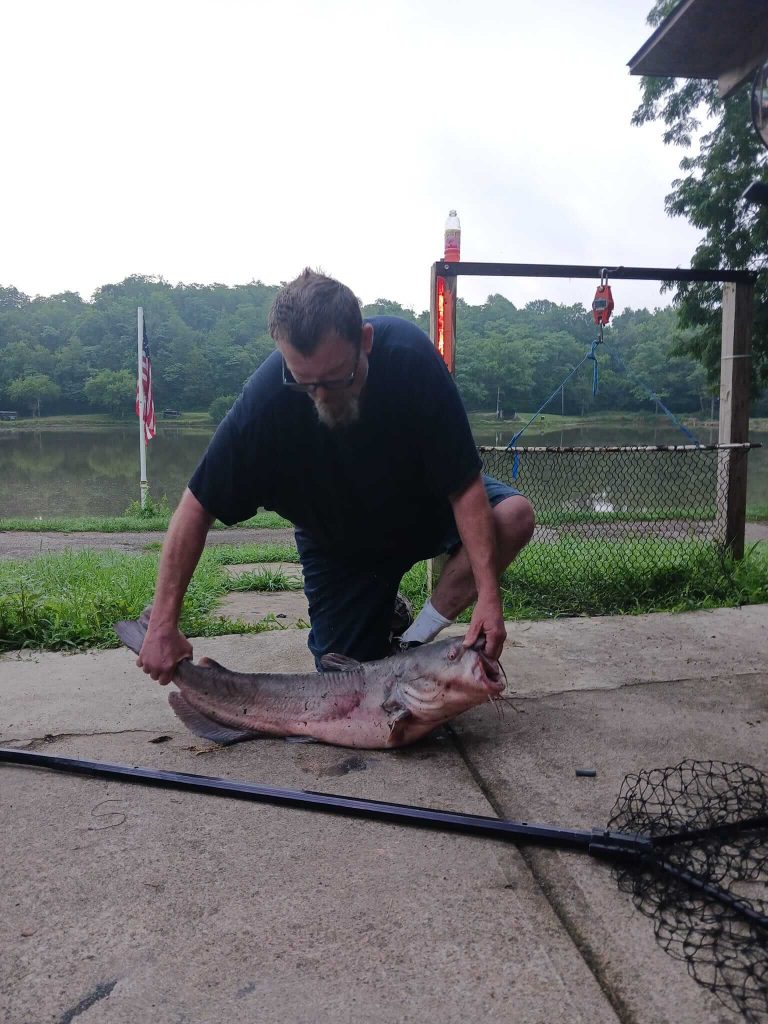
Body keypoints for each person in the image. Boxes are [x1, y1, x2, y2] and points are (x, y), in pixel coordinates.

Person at [137, 269, 534, 685]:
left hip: (422, 512)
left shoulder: (411, 359)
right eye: (304, 383)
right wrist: (163, 623)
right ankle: (382, 609)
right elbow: (197, 505)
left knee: (513, 515)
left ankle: (413, 641)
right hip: (339, 548)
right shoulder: (266, 401)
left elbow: (464, 485)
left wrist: (489, 595)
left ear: (365, 341)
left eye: (335, 378)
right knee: (347, 680)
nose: (322, 397)